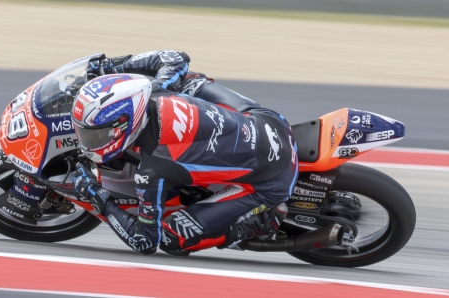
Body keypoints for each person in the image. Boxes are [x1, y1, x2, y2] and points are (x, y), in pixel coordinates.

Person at [72, 50, 299, 255]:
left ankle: (263, 218)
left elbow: (144, 241)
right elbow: (175, 58)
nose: (89, 143)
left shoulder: (151, 171)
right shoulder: (157, 89)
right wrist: (111, 66)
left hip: (273, 179)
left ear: (124, 123)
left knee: (171, 238)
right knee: (190, 81)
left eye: (96, 136)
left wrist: (96, 196)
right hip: (271, 121)